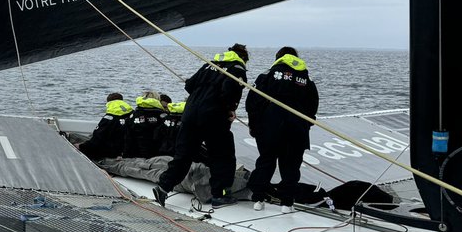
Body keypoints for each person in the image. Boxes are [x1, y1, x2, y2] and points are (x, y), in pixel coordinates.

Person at [154, 44, 249, 207]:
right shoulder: (237, 68)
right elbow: (229, 91)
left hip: (190, 114)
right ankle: (220, 195)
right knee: (222, 155)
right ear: (243, 57)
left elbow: (189, 85)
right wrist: (230, 109)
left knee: (183, 154)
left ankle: (163, 186)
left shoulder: (209, 64)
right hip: (214, 116)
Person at [245, 47, 319, 212]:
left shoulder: (267, 76)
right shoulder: (306, 79)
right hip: (296, 129)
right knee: (291, 165)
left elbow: (252, 102)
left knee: (266, 161)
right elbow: (313, 105)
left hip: (270, 128)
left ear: (278, 58)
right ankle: (287, 203)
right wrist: (307, 124)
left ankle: (258, 199)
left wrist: (253, 124)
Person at [78, 93, 134, 161]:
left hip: (111, 153)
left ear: (109, 103)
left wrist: (81, 147)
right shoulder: (133, 115)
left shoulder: (109, 118)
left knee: (75, 139)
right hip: (127, 150)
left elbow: (97, 139)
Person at [124, 90, 168, 158]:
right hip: (157, 154)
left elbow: (127, 137)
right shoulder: (163, 116)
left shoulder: (133, 115)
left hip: (134, 154)